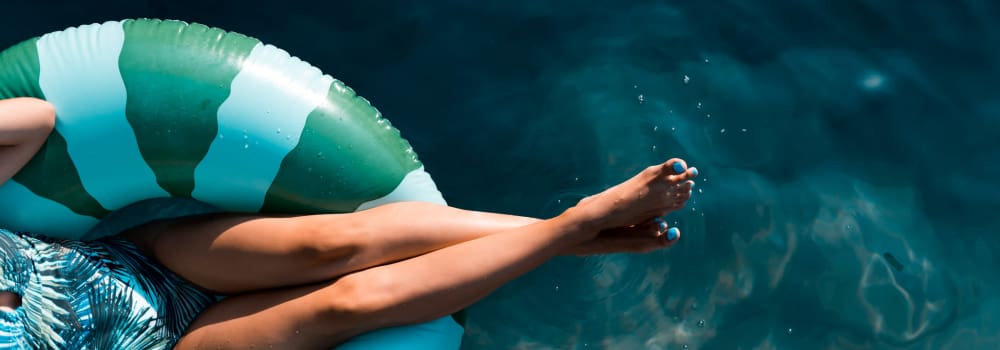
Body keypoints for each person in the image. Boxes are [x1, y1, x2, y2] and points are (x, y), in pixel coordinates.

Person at [0, 97, 698, 348]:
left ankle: (570, 239)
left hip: (136, 261)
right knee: (351, 301)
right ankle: (577, 226)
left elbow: (36, 121)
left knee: (334, 241)